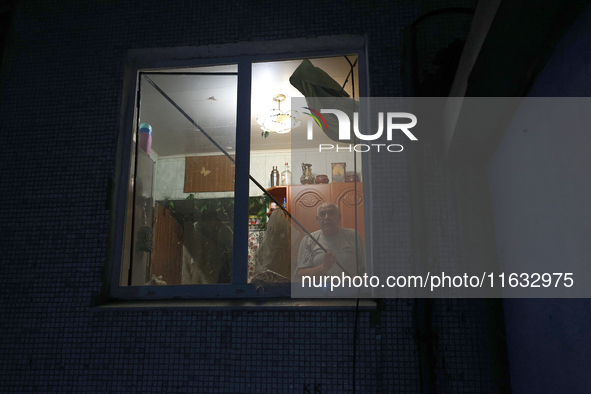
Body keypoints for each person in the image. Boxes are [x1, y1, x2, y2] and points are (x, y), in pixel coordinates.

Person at [294, 202, 365, 280]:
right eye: (322, 214)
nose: (327, 217)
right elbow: (301, 276)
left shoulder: (353, 236)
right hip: (321, 291)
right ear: (317, 219)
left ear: (339, 217)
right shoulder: (309, 240)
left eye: (331, 213)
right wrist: (323, 267)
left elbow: (367, 268)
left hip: (350, 291)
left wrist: (359, 279)